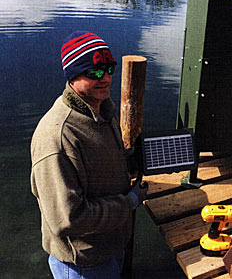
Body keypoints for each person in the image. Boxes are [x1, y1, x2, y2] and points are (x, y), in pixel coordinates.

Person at [30, 31, 148, 279]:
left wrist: (130, 159)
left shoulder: (101, 109)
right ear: (72, 77)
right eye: (94, 72)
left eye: (109, 69)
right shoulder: (57, 139)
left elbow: (96, 163)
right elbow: (69, 219)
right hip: (84, 265)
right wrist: (130, 203)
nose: (105, 78)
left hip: (111, 248)